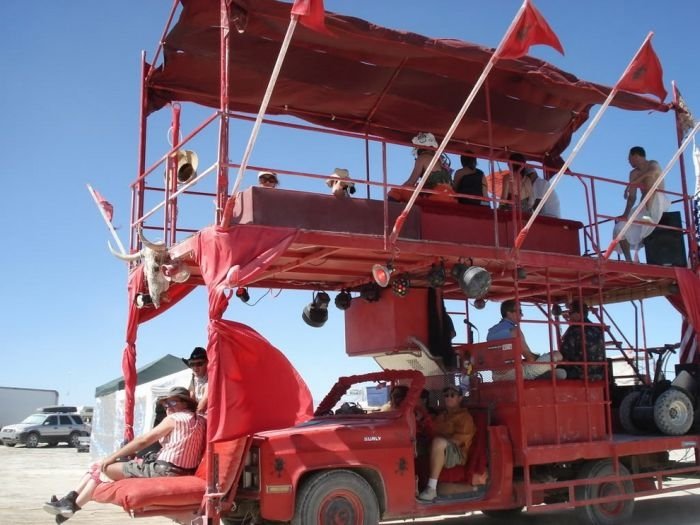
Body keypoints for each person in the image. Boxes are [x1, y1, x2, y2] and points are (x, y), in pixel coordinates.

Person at [43, 387, 206, 523]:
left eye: (172, 402)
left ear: (185, 403)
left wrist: (113, 456)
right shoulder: (201, 421)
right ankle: (68, 502)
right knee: (102, 465)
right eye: (165, 404)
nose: (168, 407)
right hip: (183, 470)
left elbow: (144, 440)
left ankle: (72, 505)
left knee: (102, 467)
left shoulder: (175, 419)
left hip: (165, 470)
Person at [417, 385, 475, 502]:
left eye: (452, 395)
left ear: (460, 398)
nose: (448, 397)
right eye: (446, 395)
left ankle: (431, 488)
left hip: (457, 454)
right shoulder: (443, 415)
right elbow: (432, 428)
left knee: (438, 442)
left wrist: (439, 439)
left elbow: (459, 441)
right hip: (442, 447)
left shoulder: (465, 417)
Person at [612, 146, 671, 262]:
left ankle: (648, 215)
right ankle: (629, 260)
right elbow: (632, 197)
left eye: (629, 159)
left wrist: (631, 184)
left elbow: (652, 172)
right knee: (619, 228)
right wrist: (625, 214)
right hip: (643, 205)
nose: (628, 161)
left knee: (649, 180)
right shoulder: (633, 173)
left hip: (658, 202)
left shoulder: (653, 164)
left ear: (636, 156)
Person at [486, 300, 565, 381]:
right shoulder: (514, 330)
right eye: (519, 311)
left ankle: (546, 374)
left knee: (558, 373)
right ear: (508, 313)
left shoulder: (491, 332)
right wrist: (540, 357)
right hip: (516, 374)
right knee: (558, 358)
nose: (522, 315)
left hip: (496, 376)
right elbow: (530, 358)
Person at [560, 300, 606, 380]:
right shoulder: (597, 329)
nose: (569, 316)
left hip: (579, 374)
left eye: (570, 313)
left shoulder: (574, 330)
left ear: (579, 313)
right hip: (598, 374)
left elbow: (565, 354)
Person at [183, 347, 208, 414]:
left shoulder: (212, 377)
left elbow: (204, 401)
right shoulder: (193, 379)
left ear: (207, 363)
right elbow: (192, 398)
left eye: (199, 364)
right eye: (192, 364)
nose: (195, 367)